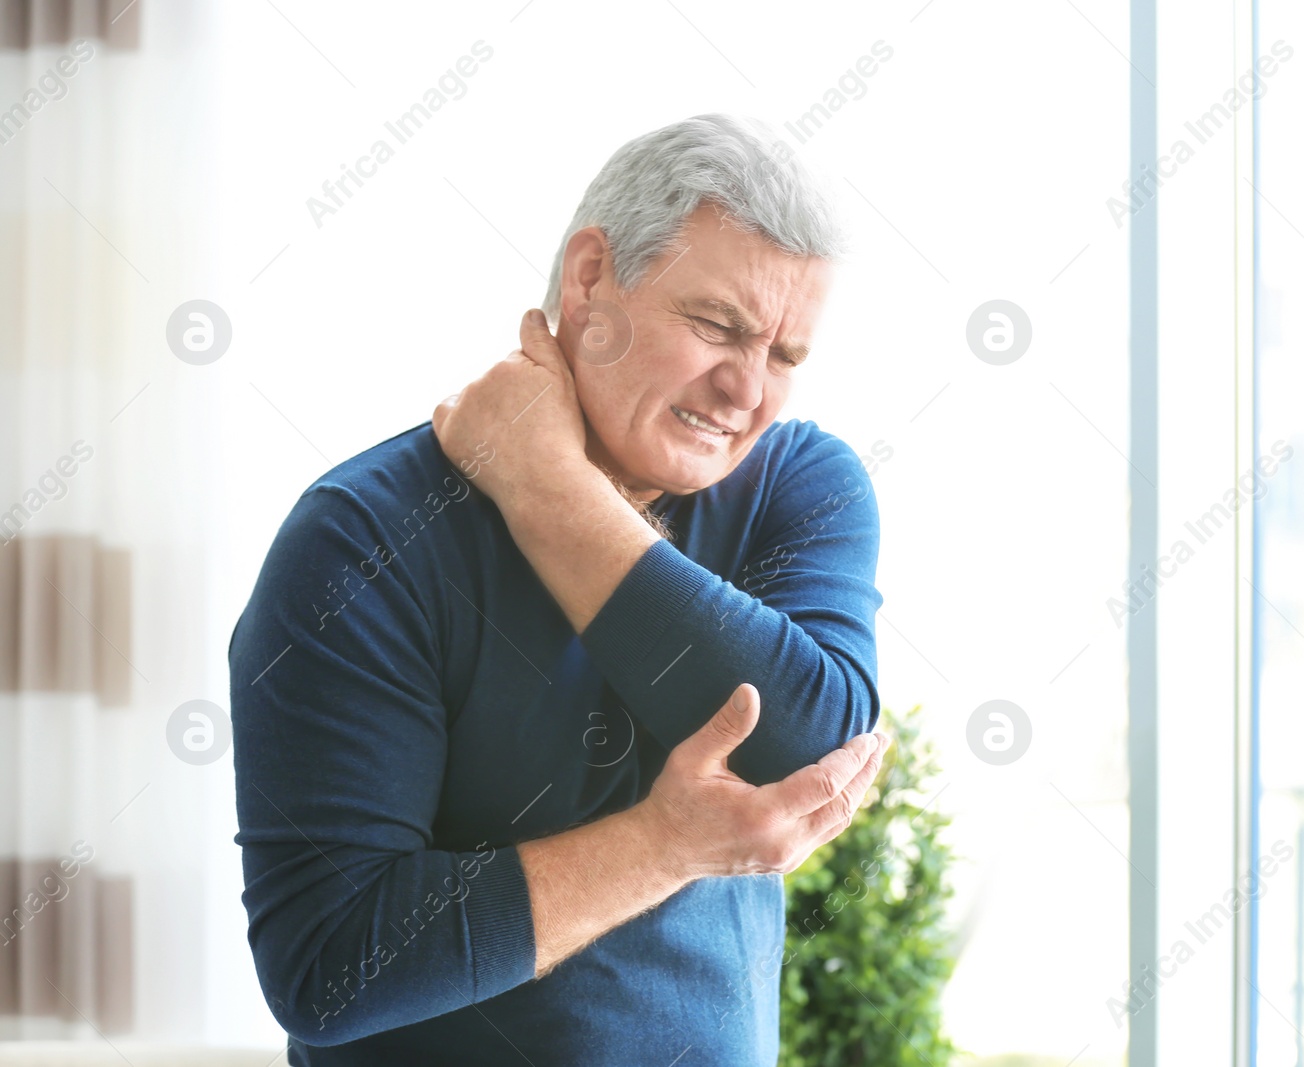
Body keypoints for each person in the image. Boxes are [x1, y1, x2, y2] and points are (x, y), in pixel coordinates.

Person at [229, 113, 889, 1066]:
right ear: (590, 281)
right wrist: (666, 844)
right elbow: (331, 969)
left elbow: (810, 748)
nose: (747, 390)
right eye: (718, 326)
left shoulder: (796, 485)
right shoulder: (364, 538)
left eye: (786, 357)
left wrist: (549, 486)